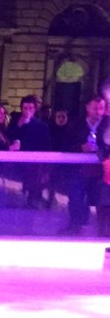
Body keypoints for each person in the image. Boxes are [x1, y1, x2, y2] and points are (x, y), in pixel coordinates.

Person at [64, 95, 106, 234]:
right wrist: (81, 148)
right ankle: (75, 226)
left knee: (103, 200)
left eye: (101, 108)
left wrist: (102, 151)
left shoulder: (108, 124)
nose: (98, 112)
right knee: (76, 198)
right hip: (79, 170)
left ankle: (104, 229)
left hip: (102, 172)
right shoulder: (76, 124)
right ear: (87, 108)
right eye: (95, 108)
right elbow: (66, 145)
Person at [8, 94, 51, 207]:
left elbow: (45, 145)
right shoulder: (15, 122)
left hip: (33, 163)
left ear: (35, 109)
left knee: (32, 189)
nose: (27, 111)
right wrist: (19, 126)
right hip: (16, 162)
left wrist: (45, 168)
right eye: (25, 108)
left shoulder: (41, 125)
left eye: (30, 108)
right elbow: (9, 136)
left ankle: (31, 203)